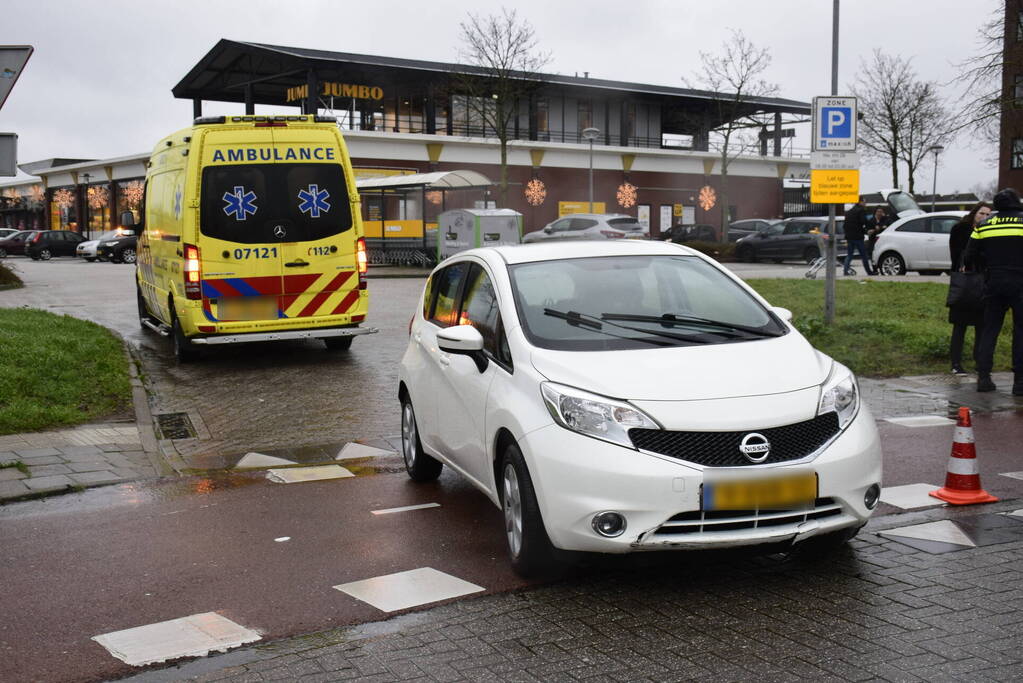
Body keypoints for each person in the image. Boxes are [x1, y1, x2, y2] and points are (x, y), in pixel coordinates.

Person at [964, 188, 1023, 394]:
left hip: (994, 282)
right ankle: (1019, 383)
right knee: (1020, 332)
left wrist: (987, 267)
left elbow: (968, 257)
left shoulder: (983, 224)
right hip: (1020, 282)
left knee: (989, 330)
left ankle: (984, 378)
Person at [947, 201, 993, 375]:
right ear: (975, 213)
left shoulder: (989, 231)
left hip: (982, 283)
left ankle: (979, 361)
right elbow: (957, 254)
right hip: (965, 283)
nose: (984, 217)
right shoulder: (960, 229)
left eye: (988, 214)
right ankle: (955, 363)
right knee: (960, 325)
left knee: (982, 325)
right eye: (982, 213)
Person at [843, 198, 875, 276]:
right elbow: (863, 222)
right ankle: (869, 272)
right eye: (864, 202)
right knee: (864, 255)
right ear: (860, 202)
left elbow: (845, 225)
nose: (865, 204)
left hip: (849, 237)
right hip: (858, 237)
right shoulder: (861, 210)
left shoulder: (849, 212)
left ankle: (845, 271)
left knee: (849, 255)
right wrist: (870, 228)